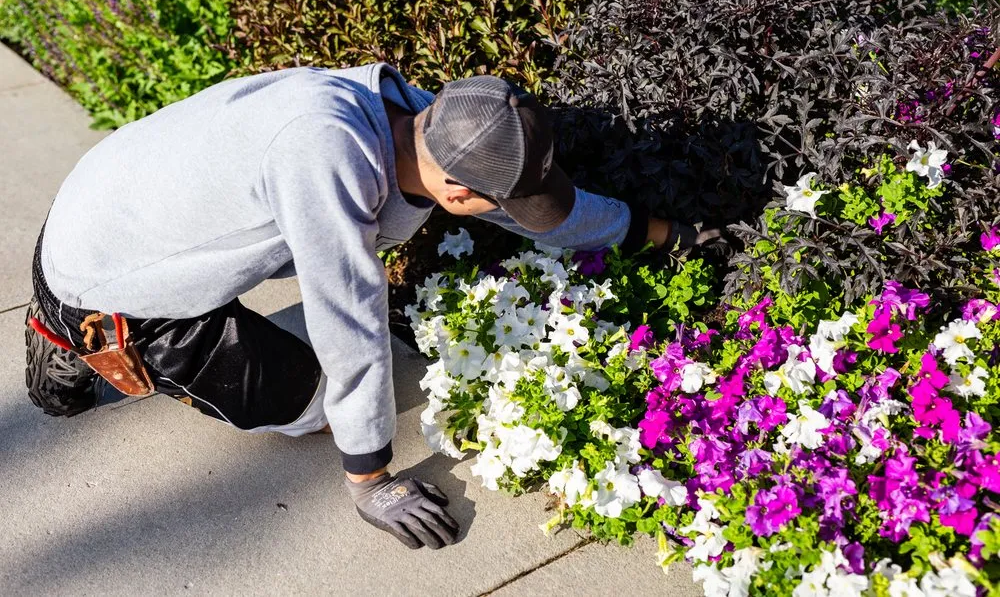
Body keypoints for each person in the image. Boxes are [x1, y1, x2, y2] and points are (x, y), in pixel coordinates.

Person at [24, 64, 721, 550]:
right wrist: (369, 478)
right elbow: (347, 316)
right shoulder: (327, 164)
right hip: (106, 283)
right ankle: (69, 339)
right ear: (456, 190)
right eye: (498, 199)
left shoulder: (429, 118)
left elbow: (536, 216)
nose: (506, 211)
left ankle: (69, 318)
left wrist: (658, 233)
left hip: (107, 202)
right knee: (327, 406)